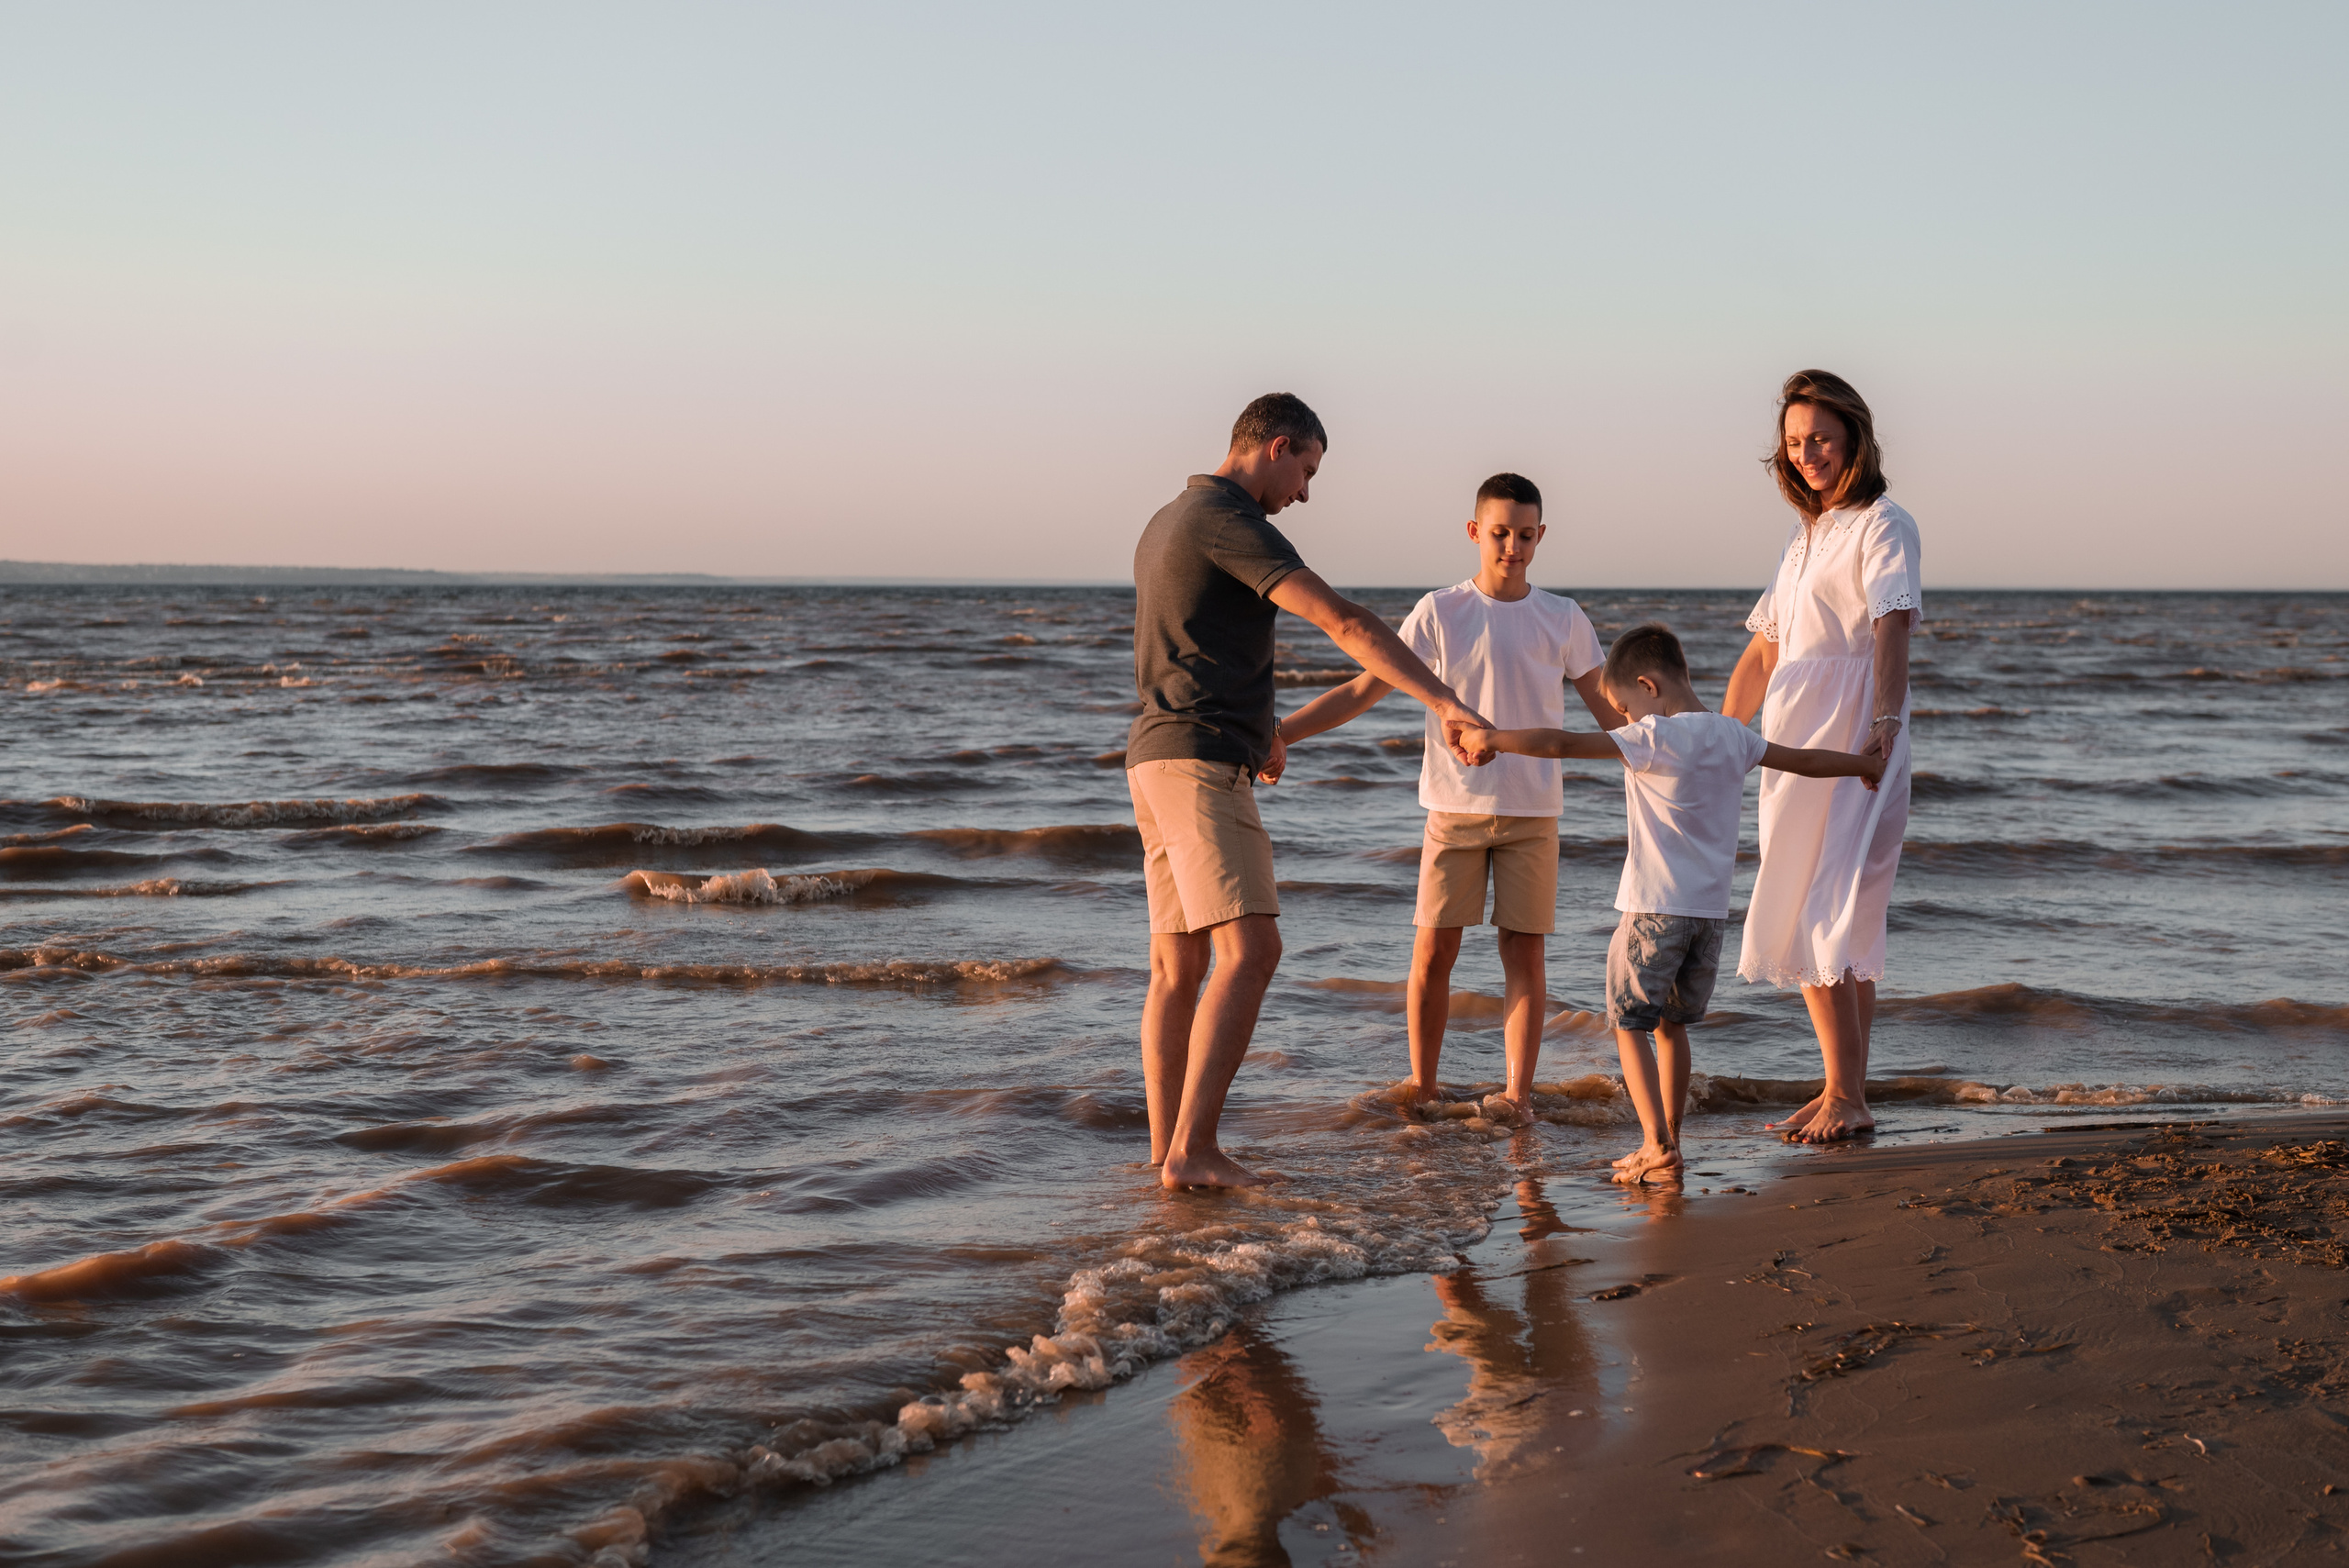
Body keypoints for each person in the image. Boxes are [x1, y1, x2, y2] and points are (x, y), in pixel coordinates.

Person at [1128, 393, 1494, 1189]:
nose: (1304, 493)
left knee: (1176, 967)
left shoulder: (1166, 520)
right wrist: (1446, 702)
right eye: (1306, 470)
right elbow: (1345, 621)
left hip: (1154, 760)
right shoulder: (1230, 521)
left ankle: (1168, 1152)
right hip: (1197, 766)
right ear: (1276, 446)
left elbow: (1194, 650)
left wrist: (1267, 728)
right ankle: (1193, 1152)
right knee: (1252, 949)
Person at [1450, 622, 1883, 1183]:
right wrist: (1866, 766)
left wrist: (1491, 739)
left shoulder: (1651, 737)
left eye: (1624, 707)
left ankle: (1655, 1143)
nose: (1626, 720)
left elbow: (1558, 744)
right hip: (1709, 917)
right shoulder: (1734, 736)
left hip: (1653, 910)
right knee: (1671, 1028)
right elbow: (1804, 760)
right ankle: (1670, 1139)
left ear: (1647, 686)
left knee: (1629, 1024)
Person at [1273, 473, 1621, 1120]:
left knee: (1524, 952)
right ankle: (1425, 1089)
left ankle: (1517, 1096)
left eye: (1524, 535)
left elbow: (1612, 715)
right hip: (1453, 810)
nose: (1511, 547)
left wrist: (1683, 748)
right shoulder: (1440, 611)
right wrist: (1283, 732)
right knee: (1434, 950)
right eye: (1498, 534)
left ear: (1540, 537)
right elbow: (1362, 689)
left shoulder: (1563, 617)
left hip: (1532, 813)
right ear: (1474, 532)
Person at [1720, 370, 1923, 1145]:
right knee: (1837, 910)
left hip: (1851, 732)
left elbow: (1891, 626)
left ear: (1854, 440)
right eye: (1795, 443)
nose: (1807, 454)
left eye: (1821, 440)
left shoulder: (1882, 523)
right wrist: (1712, 736)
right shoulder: (1804, 537)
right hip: (1795, 735)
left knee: (1823, 904)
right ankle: (1846, 1088)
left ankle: (1847, 1092)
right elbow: (1764, 652)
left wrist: (1882, 723)